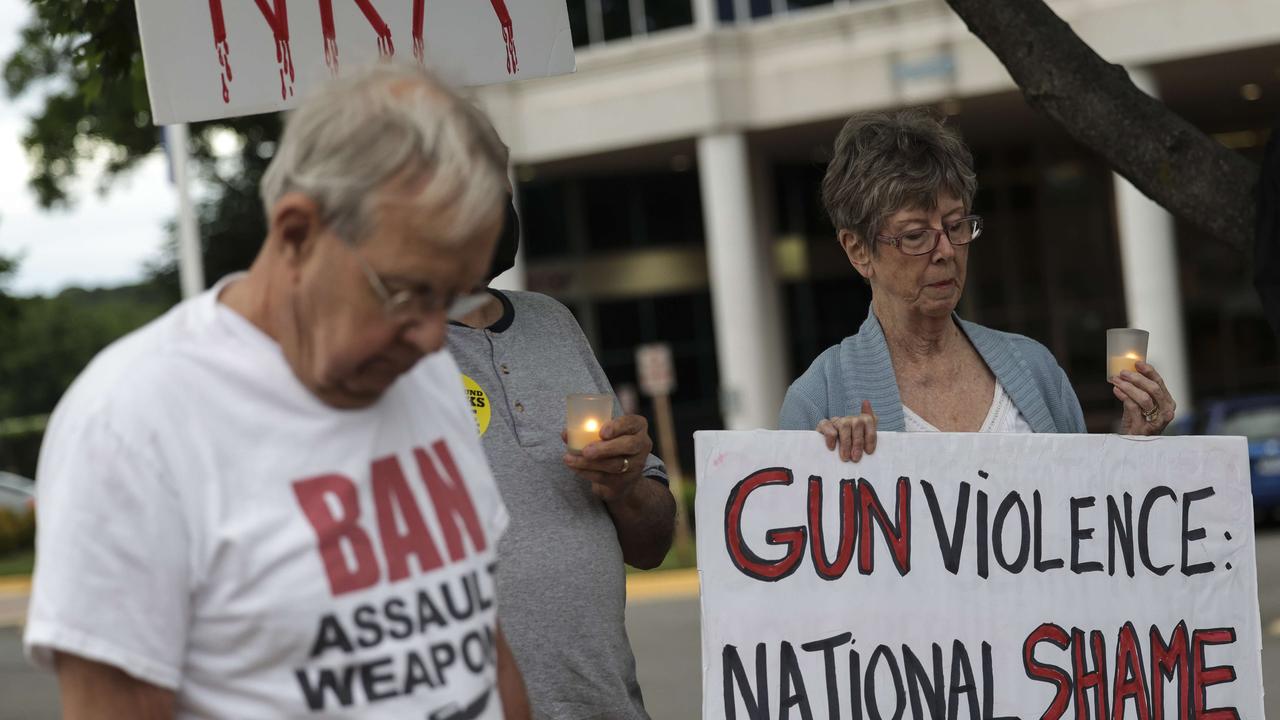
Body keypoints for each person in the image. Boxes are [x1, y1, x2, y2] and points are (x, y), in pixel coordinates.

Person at [24, 64, 531, 719]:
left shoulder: (416, 365)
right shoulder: (131, 425)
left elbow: (479, 640)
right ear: (296, 233)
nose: (434, 338)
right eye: (408, 293)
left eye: (454, 296)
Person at [780, 109, 1176, 455]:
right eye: (916, 235)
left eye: (956, 226)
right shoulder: (820, 397)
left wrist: (1135, 445)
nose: (946, 251)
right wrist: (833, 471)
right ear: (858, 250)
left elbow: (1084, 516)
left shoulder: (1034, 368)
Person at [447, 174, 677, 720]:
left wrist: (627, 486)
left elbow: (650, 546)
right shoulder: (380, 355)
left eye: (496, 171)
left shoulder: (551, 322)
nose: (496, 198)